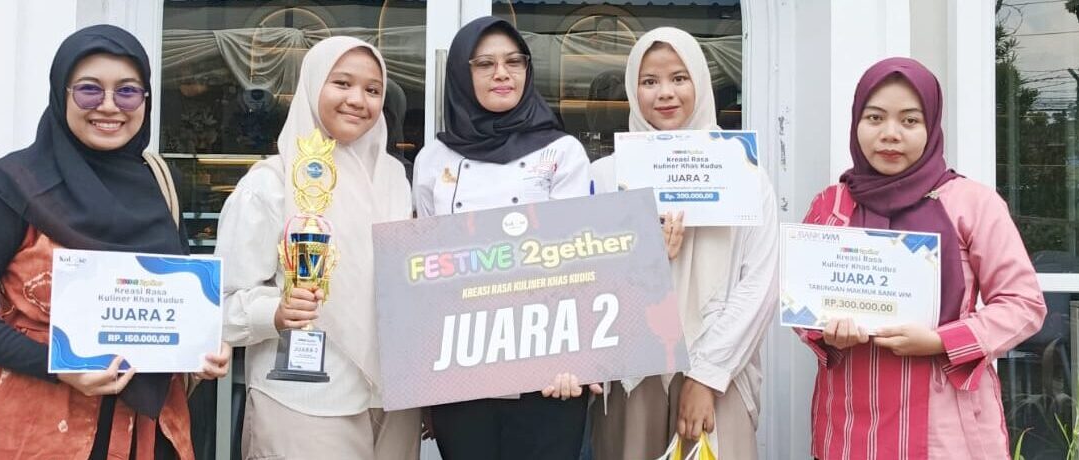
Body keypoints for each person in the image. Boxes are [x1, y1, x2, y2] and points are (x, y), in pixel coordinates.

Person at [0, 24, 230, 459]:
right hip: (42, 430)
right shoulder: (11, 187)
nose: (109, 106)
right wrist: (57, 367)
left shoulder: (162, 184)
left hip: (151, 432)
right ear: (61, 93)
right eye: (89, 90)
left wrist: (204, 346)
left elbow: (176, 297)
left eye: (127, 91)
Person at [796, 57, 1046, 459]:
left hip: (946, 429)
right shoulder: (832, 204)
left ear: (931, 128)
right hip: (849, 428)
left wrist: (942, 340)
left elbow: (1023, 304)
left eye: (910, 121)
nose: (890, 134)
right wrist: (825, 330)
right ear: (856, 122)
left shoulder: (972, 203)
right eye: (875, 118)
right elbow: (801, 298)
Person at [216, 36, 421, 460]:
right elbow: (221, 303)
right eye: (342, 83)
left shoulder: (395, 180)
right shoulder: (272, 182)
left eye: (373, 89)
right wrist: (275, 311)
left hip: (393, 399)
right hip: (305, 400)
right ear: (312, 86)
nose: (357, 100)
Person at [412, 16, 598, 460]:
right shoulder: (433, 159)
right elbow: (424, 268)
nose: (502, 73)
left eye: (514, 62)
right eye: (485, 64)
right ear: (461, 74)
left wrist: (576, 355)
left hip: (548, 368)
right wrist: (422, 375)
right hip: (461, 362)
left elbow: (580, 261)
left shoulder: (562, 152)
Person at [587, 27, 778, 460]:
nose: (665, 93)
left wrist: (707, 375)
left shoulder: (744, 174)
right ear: (633, 89)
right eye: (649, 81)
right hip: (634, 372)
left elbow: (759, 285)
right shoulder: (607, 177)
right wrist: (644, 260)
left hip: (721, 372)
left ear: (701, 82)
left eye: (679, 77)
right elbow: (591, 283)